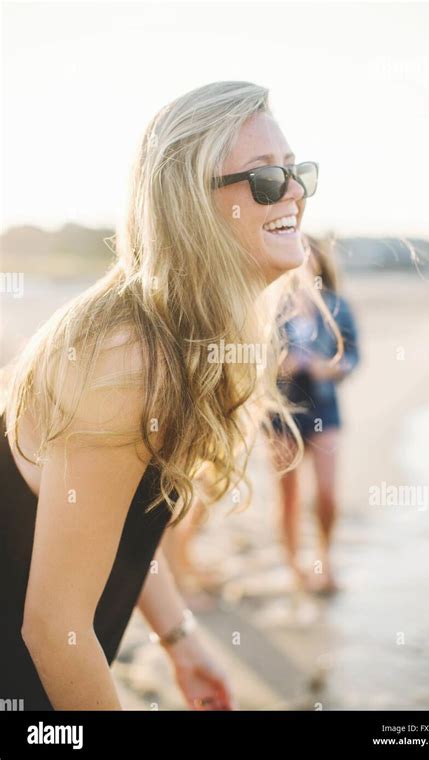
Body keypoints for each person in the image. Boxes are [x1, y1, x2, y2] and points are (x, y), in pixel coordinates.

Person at [0, 80, 323, 710]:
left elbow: (117, 526)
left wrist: (180, 640)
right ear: (190, 207)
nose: (293, 191)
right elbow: (53, 629)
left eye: (297, 172)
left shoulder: (188, 339)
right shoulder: (125, 357)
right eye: (263, 179)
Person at [270, 234, 360, 594]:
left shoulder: (337, 306)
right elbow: (253, 361)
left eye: (311, 256)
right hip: (281, 411)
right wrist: (281, 366)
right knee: (287, 496)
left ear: (321, 263)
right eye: (299, 255)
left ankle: (325, 559)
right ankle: (295, 567)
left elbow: (353, 356)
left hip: (324, 406)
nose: (305, 262)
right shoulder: (272, 306)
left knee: (327, 494)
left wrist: (332, 368)